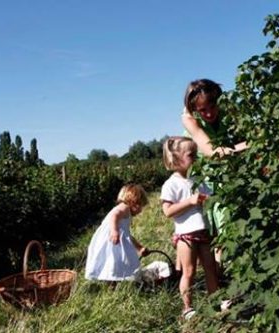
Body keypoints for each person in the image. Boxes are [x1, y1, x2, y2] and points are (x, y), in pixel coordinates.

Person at [182, 78, 247, 268]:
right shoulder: (189, 118)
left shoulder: (228, 109)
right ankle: (225, 278)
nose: (209, 113)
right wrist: (253, 144)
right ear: (195, 109)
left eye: (212, 106)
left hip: (231, 173)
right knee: (222, 228)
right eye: (203, 110)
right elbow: (213, 152)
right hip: (209, 179)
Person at [161, 136, 219, 320]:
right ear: (175, 159)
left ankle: (215, 301)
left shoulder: (197, 179)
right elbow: (168, 211)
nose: (195, 158)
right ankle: (187, 307)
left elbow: (208, 197)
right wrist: (190, 201)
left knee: (211, 266)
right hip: (185, 236)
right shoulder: (171, 184)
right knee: (189, 271)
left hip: (202, 230)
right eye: (191, 155)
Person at [85, 184, 149, 283]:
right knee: (114, 260)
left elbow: (127, 235)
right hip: (110, 239)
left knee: (112, 262)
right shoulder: (124, 208)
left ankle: (112, 282)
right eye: (140, 206)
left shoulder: (126, 211)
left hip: (113, 238)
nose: (140, 210)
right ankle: (113, 281)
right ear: (133, 202)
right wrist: (114, 231)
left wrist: (139, 247)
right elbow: (114, 215)